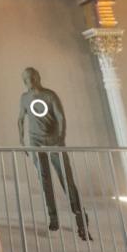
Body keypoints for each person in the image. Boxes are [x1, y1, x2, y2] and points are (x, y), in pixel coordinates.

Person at [18, 66, 91, 240]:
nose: (30, 81)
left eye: (32, 77)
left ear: (38, 77)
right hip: (36, 142)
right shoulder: (25, 98)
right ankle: (53, 218)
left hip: (54, 141)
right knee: (45, 180)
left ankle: (81, 220)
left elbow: (60, 117)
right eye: (27, 79)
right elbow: (20, 119)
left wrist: (60, 138)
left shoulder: (50, 95)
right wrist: (22, 141)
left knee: (66, 179)